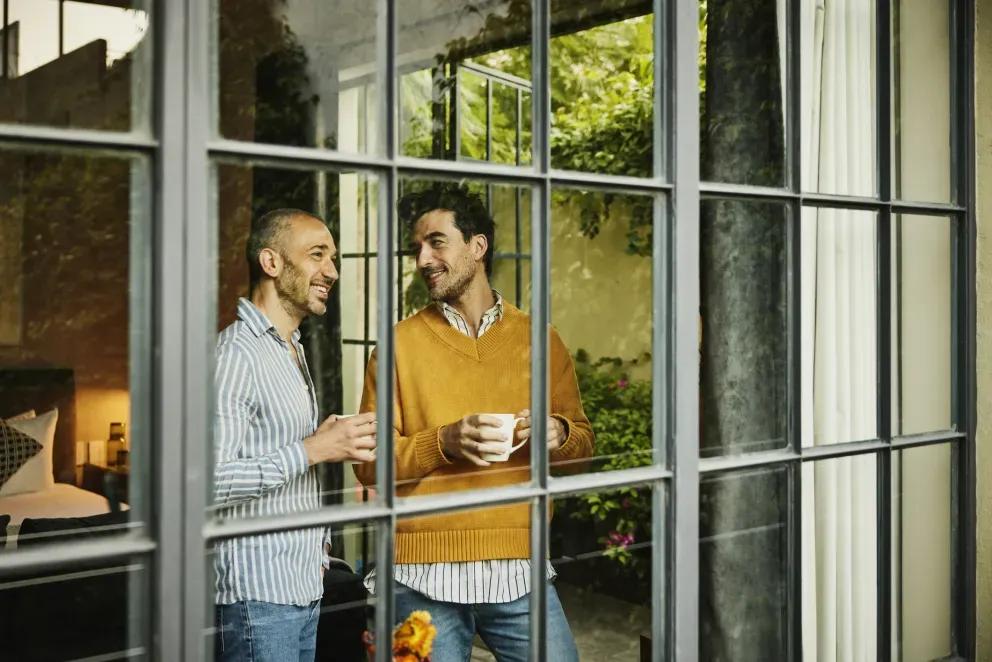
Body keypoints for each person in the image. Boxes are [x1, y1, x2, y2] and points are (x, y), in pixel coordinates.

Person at [353, 185, 594, 662]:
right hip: (415, 580)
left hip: (519, 570)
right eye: (416, 247)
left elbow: (582, 449)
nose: (422, 258)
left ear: (476, 247)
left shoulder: (541, 341)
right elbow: (369, 465)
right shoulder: (397, 347)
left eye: (436, 242)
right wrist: (444, 441)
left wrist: (559, 435)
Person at [213, 209, 377, 662]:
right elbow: (209, 484)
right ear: (271, 262)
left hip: (302, 585)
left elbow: (280, 456)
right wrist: (313, 449)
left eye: (334, 258)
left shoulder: (291, 348)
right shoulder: (235, 356)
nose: (332, 272)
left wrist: (318, 544)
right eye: (317, 255)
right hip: (258, 597)